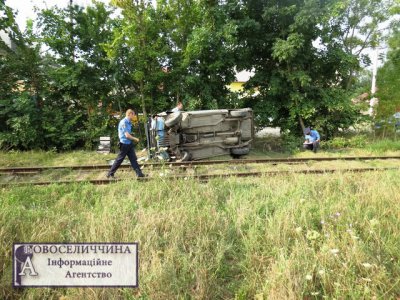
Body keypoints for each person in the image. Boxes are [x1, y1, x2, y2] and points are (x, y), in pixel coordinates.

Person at [107, 109, 145, 179]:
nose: (134, 116)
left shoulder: (129, 122)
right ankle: (110, 174)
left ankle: (139, 174)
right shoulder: (123, 122)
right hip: (124, 144)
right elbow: (127, 135)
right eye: (133, 114)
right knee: (119, 160)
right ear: (129, 114)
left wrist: (132, 136)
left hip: (129, 144)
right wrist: (135, 139)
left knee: (133, 159)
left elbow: (128, 133)